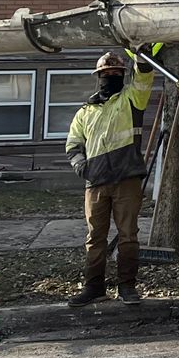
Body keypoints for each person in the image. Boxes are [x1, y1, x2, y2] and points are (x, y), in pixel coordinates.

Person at [64, 48, 156, 307]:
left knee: (128, 235)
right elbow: (73, 143)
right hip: (96, 183)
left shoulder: (132, 98)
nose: (111, 76)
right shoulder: (86, 111)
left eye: (116, 72)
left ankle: (127, 286)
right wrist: (80, 165)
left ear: (123, 75)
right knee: (95, 238)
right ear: (99, 76)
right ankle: (94, 287)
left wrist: (141, 56)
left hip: (127, 179)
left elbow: (144, 78)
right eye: (106, 73)